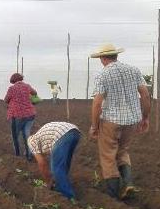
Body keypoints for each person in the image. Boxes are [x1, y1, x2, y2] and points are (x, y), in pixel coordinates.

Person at [89, 43, 151, 200]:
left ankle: (113, 195)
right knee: (123, 150)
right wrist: (145, 117)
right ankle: (128, 182)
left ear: (103, 59)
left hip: (111, 120)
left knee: (108, 155)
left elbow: (97, 103)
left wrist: (94, 126)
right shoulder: (134, 70)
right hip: (132, 120)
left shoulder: (102, 75)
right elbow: (145, 94)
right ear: (116, 56)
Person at [28, 122, 81, 199]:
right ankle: (62, 184)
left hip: (61, 135)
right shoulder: (42, 137)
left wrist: (48, 181)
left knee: (56, 168)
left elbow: (41, 163)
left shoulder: (31, 141)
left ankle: (69, 196)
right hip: (75, 132)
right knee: (64, 163)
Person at [4, 73, 37, 160]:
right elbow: (35, 93)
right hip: (30, 114)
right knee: (27, 134)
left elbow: (6, 100)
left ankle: (17, 155)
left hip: (17, 115)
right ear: (21, 79)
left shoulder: (12, 88)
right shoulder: (27, 86)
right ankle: (29, 155)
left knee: (15, 135)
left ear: (13, 80)